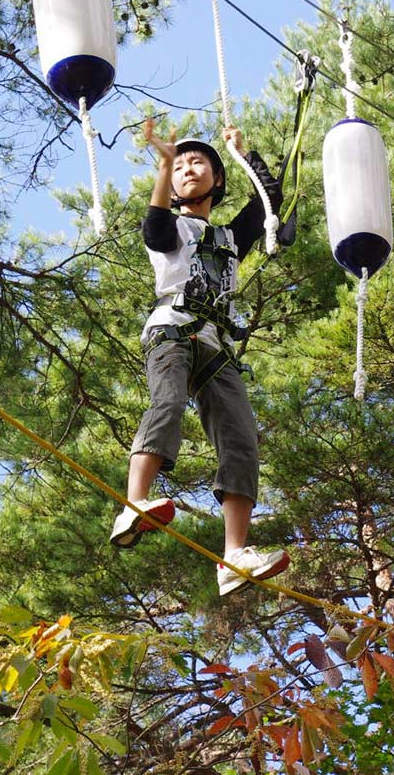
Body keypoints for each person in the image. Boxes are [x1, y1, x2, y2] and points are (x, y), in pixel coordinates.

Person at [111, 116, 290, 597]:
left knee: (241, 438)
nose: (189, 169)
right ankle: (135, 503)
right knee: (166, 403)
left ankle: (233, 556)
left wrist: (242, 151)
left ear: (216, 178)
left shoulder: (232, 237)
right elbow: (153, 229)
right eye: (181, 166)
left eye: (199, 163)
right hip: (172, 330)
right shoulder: (172, 229)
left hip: (217, 346)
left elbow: (268, 201)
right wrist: (162, 164)